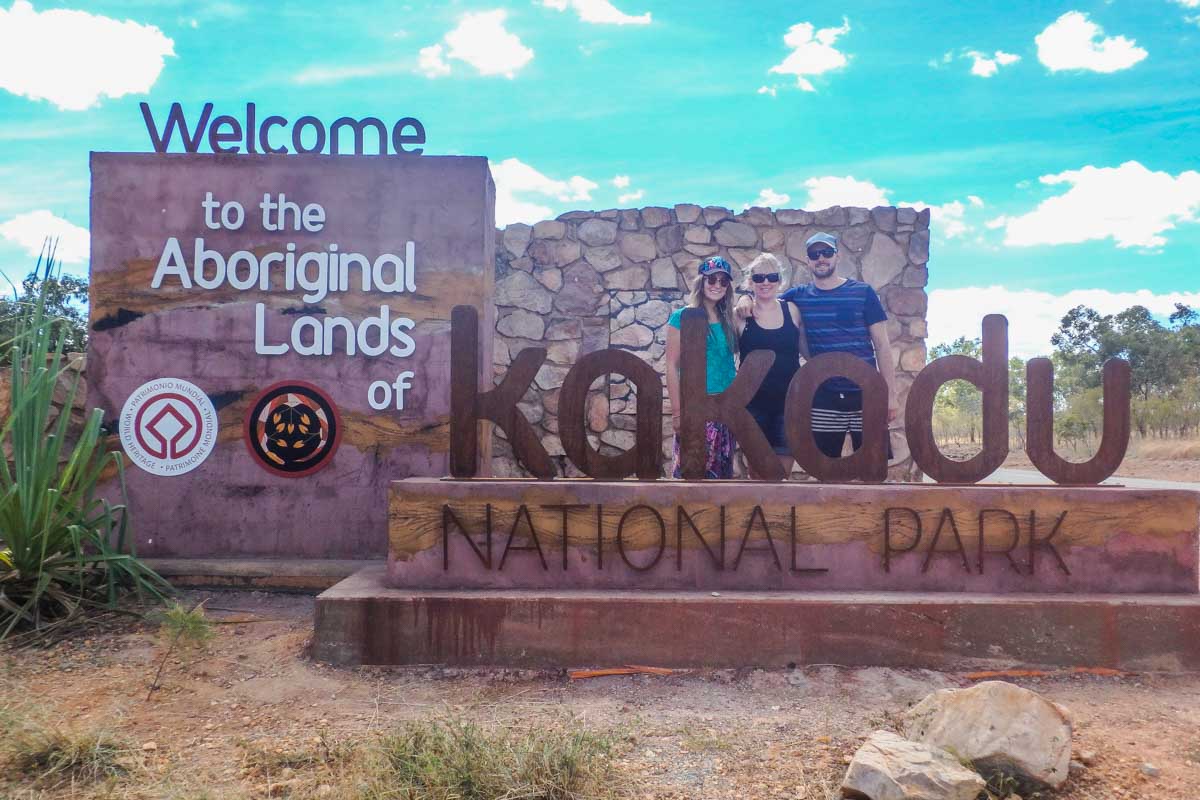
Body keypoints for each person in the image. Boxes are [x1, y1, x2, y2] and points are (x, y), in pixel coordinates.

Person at [736, 232, 896, 459]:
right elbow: (766, 296)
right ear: (808, 260)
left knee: (875, 467)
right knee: (824, 469)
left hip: (866, 393)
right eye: (814, 254)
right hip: (824, 397)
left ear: (837, 256)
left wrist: (890, 394)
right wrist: (745, 298)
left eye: (827, 252)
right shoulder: (798, 297)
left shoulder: (864, 293)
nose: (821, 258)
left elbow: (882, 345)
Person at [664, 256, 738, 478]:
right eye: (712, 279)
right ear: (701, 282)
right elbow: (671, 365)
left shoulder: (728, 319)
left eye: (723, 281)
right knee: (691, 473)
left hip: (725, 409)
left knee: (721, 477)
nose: (717, 285)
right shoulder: (682, 317)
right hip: (696, 408)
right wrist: (677, 413)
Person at [734, 253, 804, 476]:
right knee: (757, 475)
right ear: (750, 282)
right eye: (759, 277)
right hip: (753, 407)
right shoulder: (741, 316)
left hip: (789, 404)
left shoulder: (792, 311)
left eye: (771, 276)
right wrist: (743, 300)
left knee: (782, 475)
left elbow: (807, 351)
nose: (765, 282)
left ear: (779, 280)